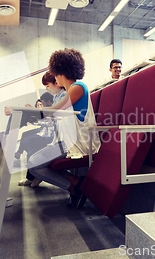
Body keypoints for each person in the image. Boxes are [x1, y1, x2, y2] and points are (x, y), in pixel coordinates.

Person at [26, 48, 101, 209]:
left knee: (34, 164)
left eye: (54, 73)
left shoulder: (78, 87)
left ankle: (74, 187)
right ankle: (75, 184)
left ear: (60, 71)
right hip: (68, 142)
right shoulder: (70, 90)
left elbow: (54, 111)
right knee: (34, 163)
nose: (53, 78)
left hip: (79, 143)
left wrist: (28, 111)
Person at [18, 73, 67, 187]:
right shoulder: (57, 98)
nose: (46, 88)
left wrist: (35, 112)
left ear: (56, 82)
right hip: (55, 137)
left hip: (58, 138)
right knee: (30, 143)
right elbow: (52, 119)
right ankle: (33, 176)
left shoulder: (64, 96)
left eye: (47, 85)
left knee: (31, 148)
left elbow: (54, 118)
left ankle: (34, 177)